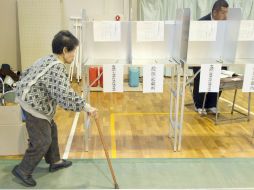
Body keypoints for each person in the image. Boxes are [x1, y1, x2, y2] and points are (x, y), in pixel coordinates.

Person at [12, 30, 98, 187]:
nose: (74, 55)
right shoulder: (57, 68)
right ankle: (23, 170)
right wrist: (86, 107)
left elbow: (26, 73)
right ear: (65, 50)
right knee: (42, 141)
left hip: (30, 98)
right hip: (32, 105)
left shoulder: (47, 58)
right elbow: (65, 96)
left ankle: (55, 161)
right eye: (73, 52)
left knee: (51, 129)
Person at [192, 0, 228, 115]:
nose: (225, 16)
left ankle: (211, 104)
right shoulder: (201, 23)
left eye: (226, 13)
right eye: (223, 13)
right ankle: (199, 105)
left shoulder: (226, 23)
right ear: (214, 12)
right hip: (201, 57)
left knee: (221, 75)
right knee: (201, 77)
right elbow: (195, 44)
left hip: (218, 57)